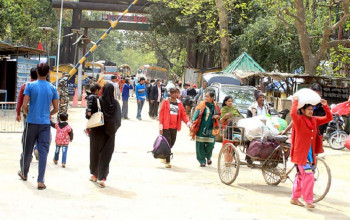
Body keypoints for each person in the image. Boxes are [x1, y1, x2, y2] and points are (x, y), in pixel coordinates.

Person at [18, 63, 59, 190]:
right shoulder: (52, 88)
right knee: (43, 153)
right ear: (47, 73)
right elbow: (56, 108)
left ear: (37, 72)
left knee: (27, 149)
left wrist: (28, 113)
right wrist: (48, 114)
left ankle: (24, 173)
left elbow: (24, 105)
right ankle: (40, 181)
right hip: (45, 125)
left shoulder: (30, 86)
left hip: (31, 123)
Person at [290, 97, 332, 208]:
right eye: (308, 109)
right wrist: (295, 102)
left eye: (312, 109)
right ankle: (309, 200)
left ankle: (294, 198)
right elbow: (293, 114)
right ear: (302, 110)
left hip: (310, 155)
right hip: (300, 155)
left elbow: (329, 117)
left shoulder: (314, 120)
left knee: (300, 176)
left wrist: (325, 106)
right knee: (309, 175)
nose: (310, 111)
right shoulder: (298, 120)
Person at [87, 83, 121, 188]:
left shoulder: (98, 101)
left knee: (95, 153)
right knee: (106, 155)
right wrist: (111, 130)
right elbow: (118, 121)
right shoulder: (116, 104)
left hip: (97, 132)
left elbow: (89, 116)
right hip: (110, 134)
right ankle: (103, 177)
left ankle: (94, 175)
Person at [159, 87, 191, 168]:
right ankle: (167, 161)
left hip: (174, 126)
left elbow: (183, 114)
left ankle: (164, 155)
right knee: (168, 143)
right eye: (174, 93)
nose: (176, 94)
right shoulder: (166, 102)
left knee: (172, 142)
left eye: (177, 93)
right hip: (166, 126)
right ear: (170, 93)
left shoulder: (179, 103)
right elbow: (161, 114)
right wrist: (160, 126)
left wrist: (187, 122)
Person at [192, 91, 221, 167]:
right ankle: (202, 160)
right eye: (205, 96)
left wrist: (217, 116)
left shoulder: (216, 106)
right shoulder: (201, 104)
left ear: (212, 98)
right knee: (200, 144)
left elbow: (219, 115)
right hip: (201, 127)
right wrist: (193, 123)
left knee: (211, 144)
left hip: (211, 127)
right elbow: (196, 114)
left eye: (207, 97)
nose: (206, 98)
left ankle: (208, 157)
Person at [16, 68, 39, 160]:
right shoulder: (42, 86)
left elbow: (20, 101)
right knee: (38, 131)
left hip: (27, 113)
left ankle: (27, 154)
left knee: (27, 132)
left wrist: (18, 113)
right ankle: (37, 148)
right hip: (38, 113)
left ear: (30, 75)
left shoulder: (24, 86)